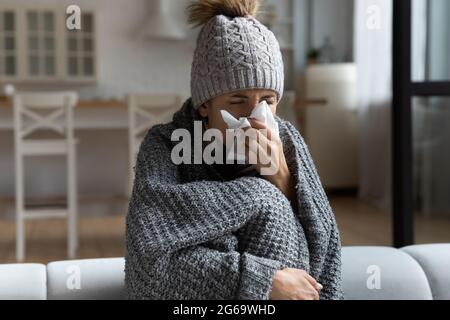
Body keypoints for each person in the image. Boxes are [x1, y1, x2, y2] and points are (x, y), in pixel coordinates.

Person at [125, 0, 343, 300]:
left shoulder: (287, 140)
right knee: (268, 203)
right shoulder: (165, 146)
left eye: (268, 99)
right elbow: (149, 265)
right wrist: (263, 280)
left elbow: (325, 256)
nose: (256, 114)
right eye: (238, 100)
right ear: (205, 104)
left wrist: (281, 176)